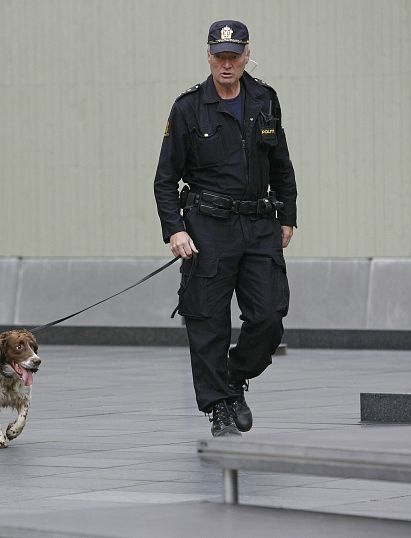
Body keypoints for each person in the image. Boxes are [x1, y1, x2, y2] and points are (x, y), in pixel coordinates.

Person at [153, 20, 297, 437]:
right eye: (219, 56)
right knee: (207, 322)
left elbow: (282, 164)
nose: (227, 64)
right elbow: (165, 179)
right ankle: (218, 405)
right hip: (208, 228)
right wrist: (175, 230)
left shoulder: (265, 99)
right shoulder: (188, 108)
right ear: (209, 57)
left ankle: (233, 376)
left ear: (247, 54)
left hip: (259, 224)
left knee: (268, 316)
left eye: (234, 56)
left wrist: (288, 215)